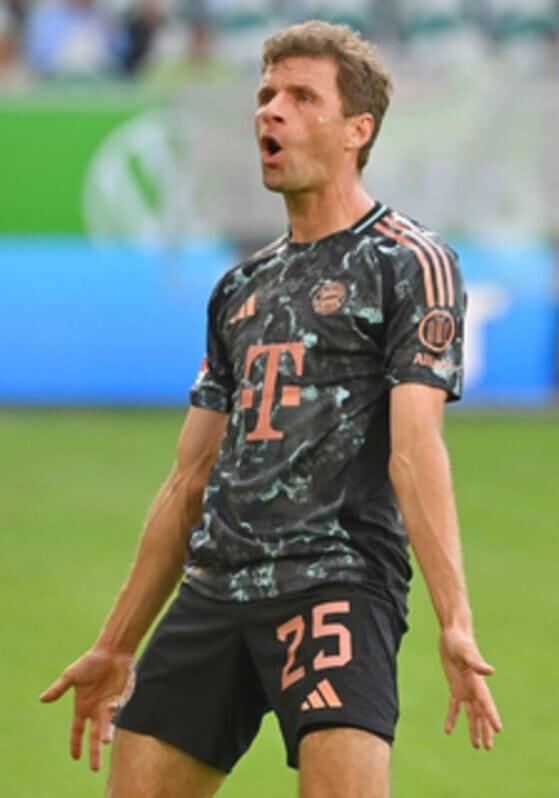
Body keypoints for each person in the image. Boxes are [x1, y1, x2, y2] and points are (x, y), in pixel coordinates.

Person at [41, 20, 502, 798]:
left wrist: (455, 621)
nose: (270, 111)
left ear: (357, 130)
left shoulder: (408, 261)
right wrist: (116, 644)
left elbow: (413, 449)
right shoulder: (239, 287)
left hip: (334, 584)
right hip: (215, 587)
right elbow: (188, 479)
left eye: (300, 96)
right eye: (265, 95)